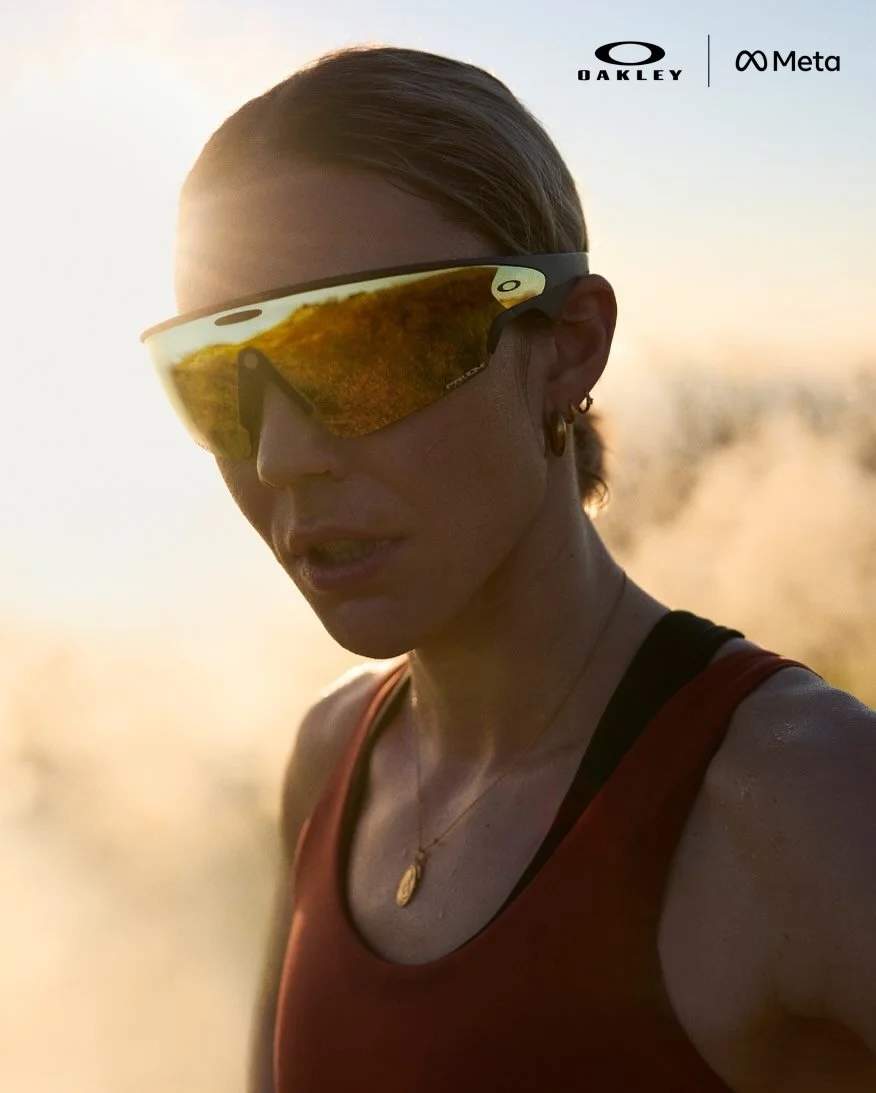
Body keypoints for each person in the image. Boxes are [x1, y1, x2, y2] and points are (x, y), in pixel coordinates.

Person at [141, 43, 876, 1093]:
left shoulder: (801, 798)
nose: (278, 455)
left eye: (361, 348)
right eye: (217, 380)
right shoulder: (331, 757)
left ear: (569, 344)